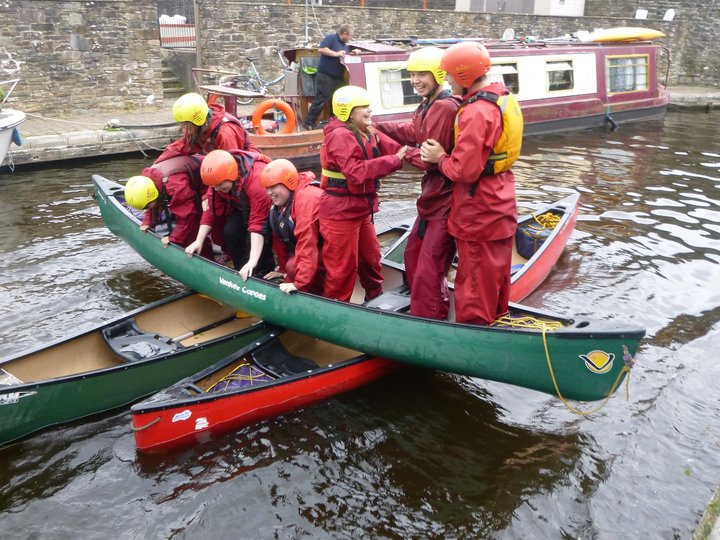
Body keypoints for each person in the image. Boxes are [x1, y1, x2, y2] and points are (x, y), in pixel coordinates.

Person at [421, 41, 522, 326]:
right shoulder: (500, 97)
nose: (447, 80)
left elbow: (464, 170)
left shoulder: (477, 112)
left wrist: (439, 157)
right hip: (500, 201)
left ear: (463, 75)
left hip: (479, 210)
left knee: (474, 283)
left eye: (450, 75)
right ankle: (498, 323)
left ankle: (474, 343)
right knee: (496, 278)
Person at [375, 46, 460, 320]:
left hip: (446, 201)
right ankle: (422, 307)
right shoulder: (427, 104)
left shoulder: (445, 107)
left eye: (422, 74)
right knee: (412, 258)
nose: (415, 81)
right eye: (412, 75)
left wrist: (401, 153)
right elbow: (413, 131)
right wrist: (378, 125)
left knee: (429, 269)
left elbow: (429, 160)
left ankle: (431, 319)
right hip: (430, 199)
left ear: (437, 74)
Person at [319, 85, 407, 302]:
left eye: (369, 106)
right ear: (347, 111)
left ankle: (375, 301)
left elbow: (396, 148)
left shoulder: (367, 131)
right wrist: (395, 160)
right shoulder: (340, 135)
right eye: (363, 108)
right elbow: (356, 173)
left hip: (360, 209)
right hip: (341, 212)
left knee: (371, 260)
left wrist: (418, 152)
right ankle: (336, 311)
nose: (369, 111)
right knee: (342, 269)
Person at [185, 149, 276, 280]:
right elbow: (211, 210)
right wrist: (199, 240)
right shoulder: (218, 182)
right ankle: (241, 270)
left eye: (220, 186)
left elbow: (258, 224)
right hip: (242, 206)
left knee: (253, 237)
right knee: (230, 231)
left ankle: (264, 269)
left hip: (265, 208)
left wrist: (252, 261)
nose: (217, 189)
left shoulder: (256, 182)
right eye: (214, 186)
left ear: (232, 175)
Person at [124, 156, 214, 258]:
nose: (147, 209)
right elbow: (154, 204)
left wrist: (174, 239)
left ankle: (207, 258)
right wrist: (148, 222)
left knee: (197, 228)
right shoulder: (151, 181)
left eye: (147, 206)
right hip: (190, 183)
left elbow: (187, 217)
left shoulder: (175, 186)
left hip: (208, 179)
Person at [259, 159, 325, 295]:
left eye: (273, 187)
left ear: (289, 184)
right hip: (316, 247)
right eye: (267, 188)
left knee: (293, 265)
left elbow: (308, 245)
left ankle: (319, 295)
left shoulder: (306, 200)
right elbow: (280, 241)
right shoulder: (279, 206)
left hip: (331, 247)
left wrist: (299, 284)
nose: (269, 193)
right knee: (290, 266)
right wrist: (283, 271)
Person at [302, 24, 355, 131]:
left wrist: (354, 52)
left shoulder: (344, 44)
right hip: (326, 76)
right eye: (350, 36)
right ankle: (308, 123)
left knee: (341, 98)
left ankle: (336, 120)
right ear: (344, 34)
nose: (351, 38)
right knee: (321, 99)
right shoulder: (331, 38)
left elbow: (343, 54)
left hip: (338, 77)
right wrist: (336, 54)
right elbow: (321, 49)